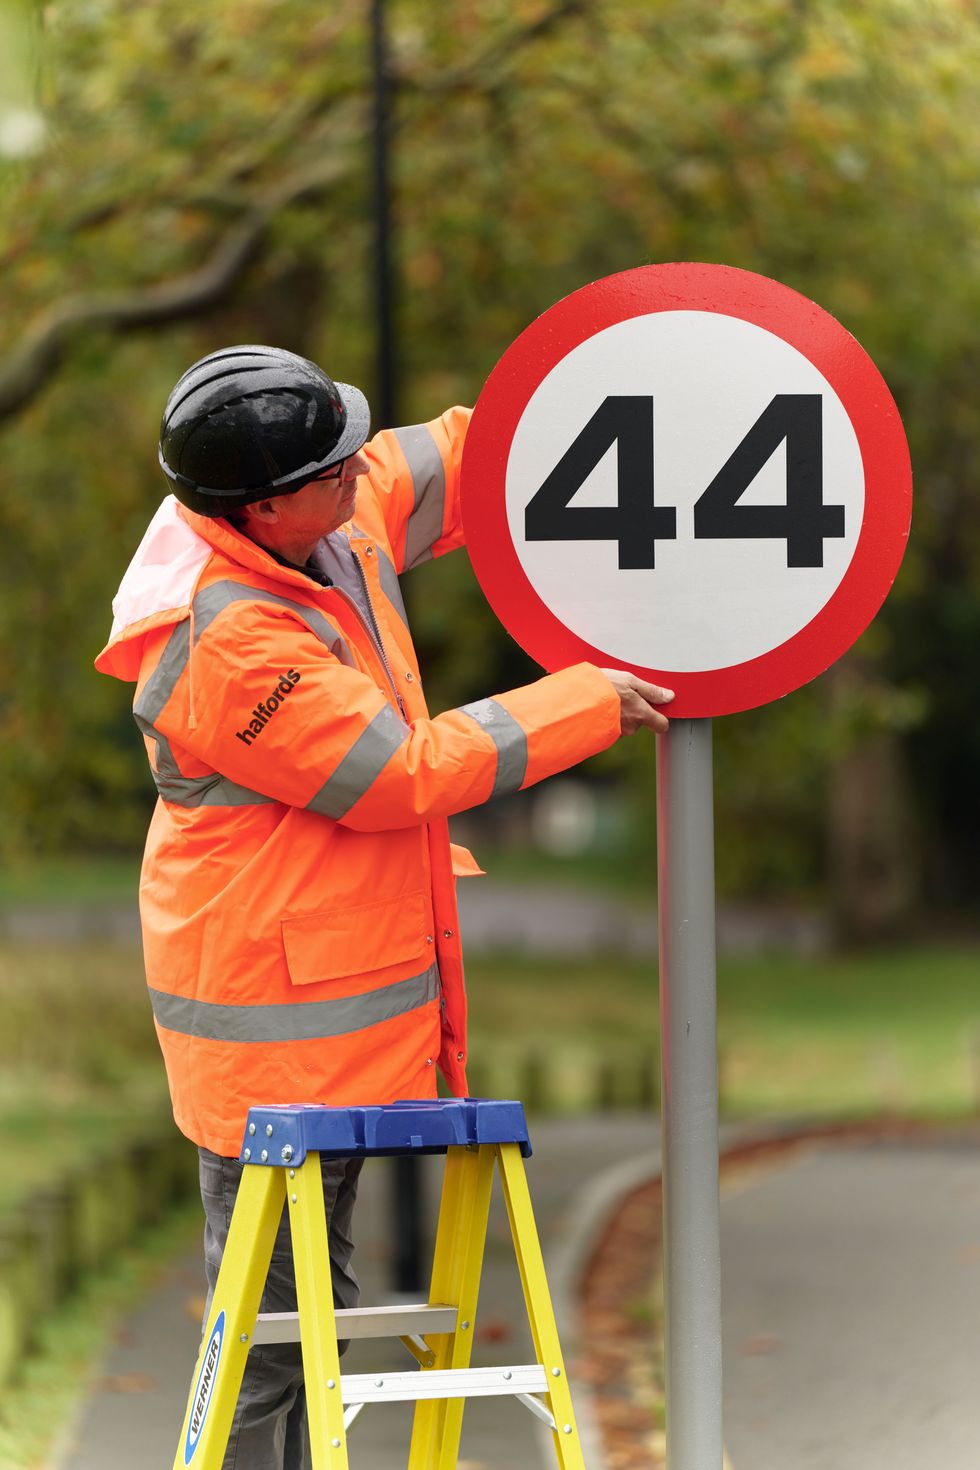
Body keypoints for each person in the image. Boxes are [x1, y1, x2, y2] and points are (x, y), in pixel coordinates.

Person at [95, 343, 673, 1467]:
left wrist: (603, 371)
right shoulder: (227, 640)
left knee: (306, 1319)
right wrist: (581, 703)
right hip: (271, 1035)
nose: (366, 470)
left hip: (332, 1009)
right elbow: (393, 776)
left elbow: (468, 454)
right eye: (337, 466)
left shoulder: (322, 511)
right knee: (272, 1343)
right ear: (263, 507)